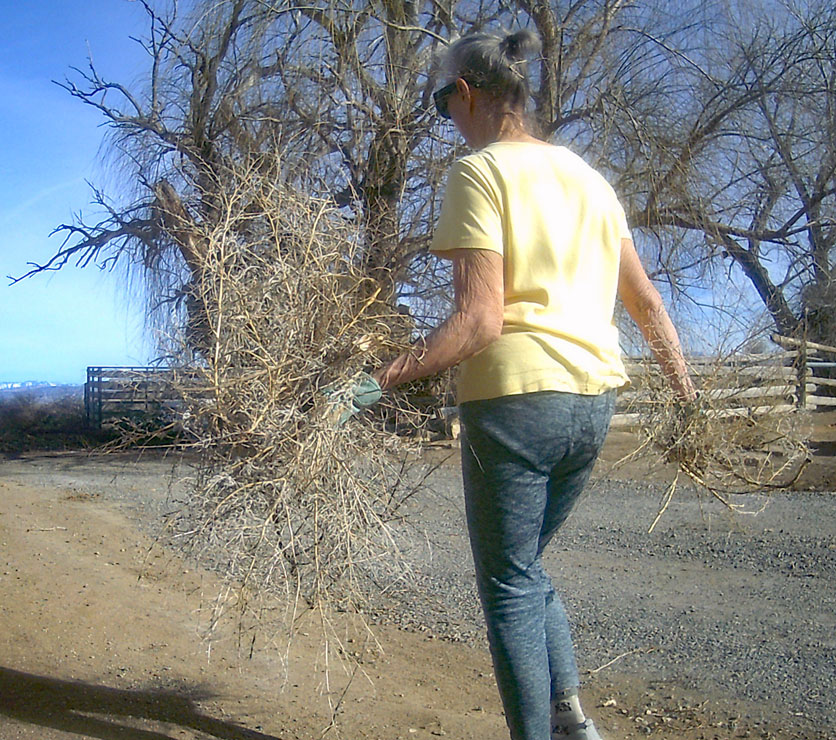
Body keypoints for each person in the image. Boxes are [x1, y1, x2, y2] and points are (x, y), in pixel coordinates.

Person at [364, 28, 697, 740]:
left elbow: (479, 322)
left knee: (508, 583)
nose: (445, 119)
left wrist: (373, 383)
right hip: (593, 404)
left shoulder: (478, 172)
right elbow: (648, 303)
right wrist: (686, 396)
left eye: (441, 102)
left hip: (516, 401)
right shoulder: (590, 180)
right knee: (525, 565)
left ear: (466, 94)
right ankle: (571, 721)